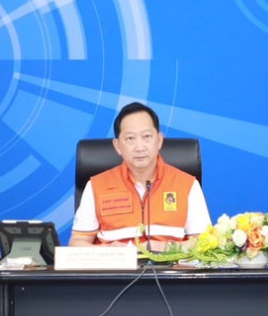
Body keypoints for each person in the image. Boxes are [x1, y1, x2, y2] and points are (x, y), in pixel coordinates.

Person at [69, 102, 210, 248]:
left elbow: (203, 243)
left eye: (146, 136)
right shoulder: (96, 186)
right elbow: (76, 243)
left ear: (159, 140)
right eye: (130, 138)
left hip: (170, 262)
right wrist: (107, 250)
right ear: (118, 146)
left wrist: (163, 248)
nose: (139, 147)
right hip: (117, 262)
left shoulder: (187, 185)